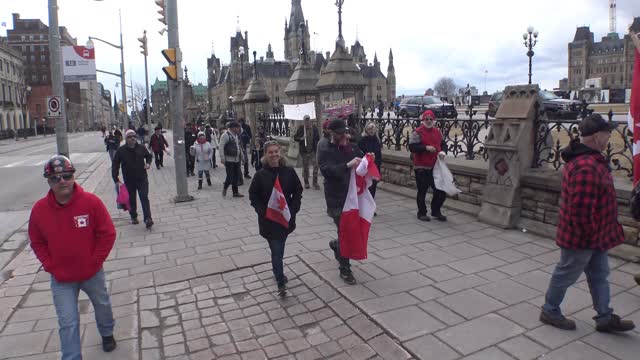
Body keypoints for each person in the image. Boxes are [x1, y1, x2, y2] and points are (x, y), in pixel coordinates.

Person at [540, 114, 635, 333]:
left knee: (599, 275)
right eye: (607, 133)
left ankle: (604, 317)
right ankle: (550, 310)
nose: (609, 137)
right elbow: (580, 212)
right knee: (566, 274)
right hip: (583, 238)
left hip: (594, 236)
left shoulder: (590, 160)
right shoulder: (586, 166)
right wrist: (590, 238)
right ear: (596, 136)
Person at [29, 155, 117, 359]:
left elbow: (108, 233)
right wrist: (50, 265)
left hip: (91, 273)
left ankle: (107, 332)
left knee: (102, 304)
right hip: (61, 278)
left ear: (73, 176)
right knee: (67, 321)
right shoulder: (39, 210)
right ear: (49, 181)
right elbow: (37, 241)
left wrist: (95, 262)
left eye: (66, 176)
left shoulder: (91, 202)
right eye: (55, 178)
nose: (62, 182)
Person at [249, 141, 302, 296]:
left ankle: (276, 270)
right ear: (265, 154)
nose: (274, 155)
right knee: (277, 251)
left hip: (285, 219)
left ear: (280, 153)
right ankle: (280, 282)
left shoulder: (289, 172)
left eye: (276, 152)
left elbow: (298, 191)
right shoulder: (260, 175)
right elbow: (253, 196)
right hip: (269, 222)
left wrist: (293, 209)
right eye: (270, 152)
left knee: (279, 249)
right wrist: (264, 212)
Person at [317, 118, 364, 285]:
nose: (344, 135)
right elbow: (327, 171)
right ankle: (345, 269)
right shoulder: (324, 148)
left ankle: (337, 245)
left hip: (351, 196)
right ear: (332, 133)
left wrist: (367, 158)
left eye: (345, 132)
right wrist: (347, 165)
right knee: (345, 232)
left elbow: (360, 157)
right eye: (340, 133)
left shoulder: (348, 144)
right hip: (335, 196)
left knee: (348, 232)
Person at [409, 110, 447, 222]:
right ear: (423, 120)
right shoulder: (418, 132)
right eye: (427, 119)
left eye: (431, 119)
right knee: (422, 190)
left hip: (436, 165)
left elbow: (443, 144)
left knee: (440, 190)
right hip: (421, 166)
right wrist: (425, 148)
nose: (429, 121)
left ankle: (436, 210)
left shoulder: (437, 131)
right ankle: (421, 212)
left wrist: (443, 152)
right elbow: (412, 147)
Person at [112, 129, 154, 228]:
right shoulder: (121, 150)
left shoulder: (142, 147)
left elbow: (149, 156)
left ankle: (148, 218)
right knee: (132, 199)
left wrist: (148, 163)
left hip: (142, 178)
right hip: (129, 180)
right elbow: (115, 165)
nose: (133, 138)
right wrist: (116, 179)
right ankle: (133, 216)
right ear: (126, 139)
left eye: (134, 136)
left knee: (144, 197)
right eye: (130, 137)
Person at [293, 115, 321, 189]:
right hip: (304, 151)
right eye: (305, 121)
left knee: (315, 165)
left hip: (313, 150)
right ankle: (306, 183)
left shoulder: (314, 128)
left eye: (308, 120)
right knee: (305, 167)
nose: (307, 122)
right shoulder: (301, 128)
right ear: (304, 121)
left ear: (310, 121)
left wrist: (317, 147)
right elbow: (295, 137)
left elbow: (318, 138)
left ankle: (315, 183)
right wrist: (301, 138)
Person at [219, 121, 244, 197]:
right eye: (237, 127)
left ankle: (235, 192)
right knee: (230, 177)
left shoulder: (236, 135)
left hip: (236, 159)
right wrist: (222, 158)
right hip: (229, 160)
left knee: (236, 176)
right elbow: (221, 146)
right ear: (233, 128)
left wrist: (242, 157)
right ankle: (225, 187)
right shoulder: (225, 135)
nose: (239, 129)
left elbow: (238, 147)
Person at [358, 122, 382, 199]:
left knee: (373, 187)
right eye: (370, 129)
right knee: (367, 187)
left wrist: (377, 164)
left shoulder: (377, 140)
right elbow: (360, 153)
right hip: (366, 167)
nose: (372, 131)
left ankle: (371, 206)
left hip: (375, 166)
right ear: (366, 130)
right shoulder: (362, 140)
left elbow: (379, 155)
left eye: (373, 129)